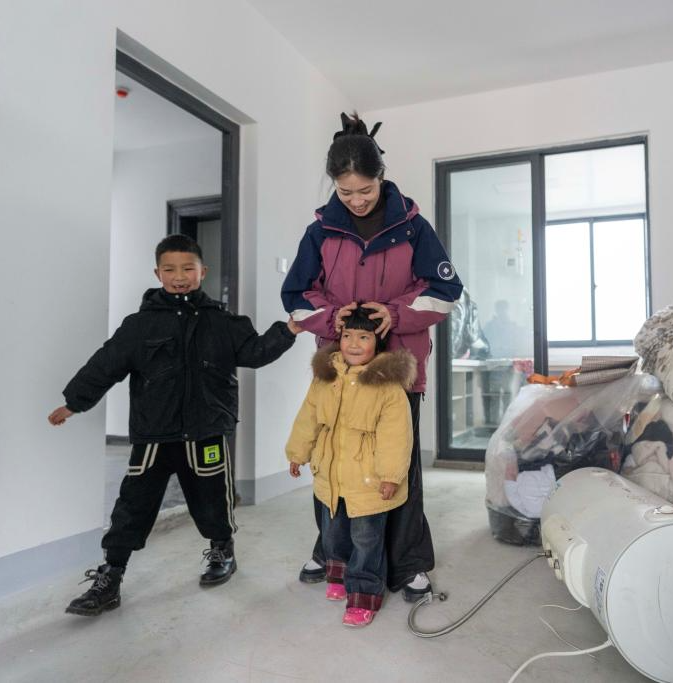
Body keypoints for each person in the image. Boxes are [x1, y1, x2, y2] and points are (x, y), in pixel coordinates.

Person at [48, 234, 300, 616]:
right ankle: (111, 575)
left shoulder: (223, 322)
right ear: (157, 274)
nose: (179, 277)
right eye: (169, 269)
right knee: (133, 505)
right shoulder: (139, 325)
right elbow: (105, 364)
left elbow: (254, 352)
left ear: (203, 271)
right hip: (154, 433)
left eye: (187, 268)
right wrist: (74, 403)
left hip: (205, 430)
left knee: (213, 498)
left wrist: (288, 331)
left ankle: (222, 550)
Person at [281, 112, 463, 601]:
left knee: (395, 465)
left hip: (396, 370)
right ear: (334, 186)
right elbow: (296, 294)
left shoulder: (414, 227)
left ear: (381, 177)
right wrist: (331, 317)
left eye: (365, 190)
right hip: (338, 371)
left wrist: (395, 312)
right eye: (346, 193)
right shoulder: (320, 232)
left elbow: (445, 291)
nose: (357, 200)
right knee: (333, 461)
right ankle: (331, 553)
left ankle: (408, 564)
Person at [286, 307, 415, 626]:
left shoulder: (387, 386)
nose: (354, 344)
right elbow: (308, 417)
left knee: (366, 539)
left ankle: (364, 593)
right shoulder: (326, 378)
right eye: (347, 336)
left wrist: (390, 476)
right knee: (333, 533)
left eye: (363, 337)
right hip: (331, 475)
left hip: (368, 479)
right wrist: (298, 452)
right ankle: (339, 575)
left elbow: (396, 436)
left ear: (378, 341)